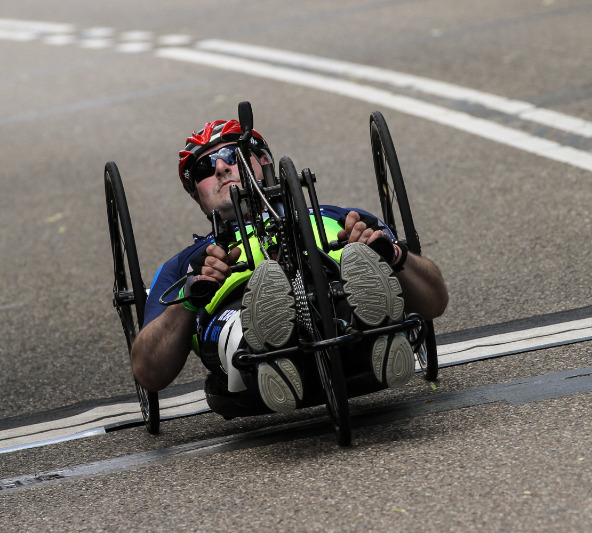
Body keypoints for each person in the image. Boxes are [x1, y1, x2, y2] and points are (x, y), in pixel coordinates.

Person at [130, 119, 448, 417]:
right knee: (243, 322)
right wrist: (192, 294)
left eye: (233, 154)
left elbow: (436, 301)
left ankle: (379, 334)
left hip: (333, 290)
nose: (222, 167)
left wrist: (389, 253)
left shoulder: (339, 216)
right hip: (237, 317)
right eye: (205, 168)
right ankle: (273, 352)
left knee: (350, 283)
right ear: (197, 196)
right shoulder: (186, 262)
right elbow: (148, 372)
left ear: (264, 162)